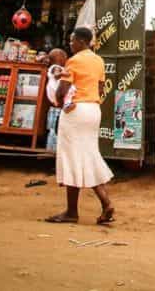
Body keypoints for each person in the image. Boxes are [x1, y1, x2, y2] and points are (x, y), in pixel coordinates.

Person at [45, 28, 115, 225]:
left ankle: (71, 212)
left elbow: (62, 91)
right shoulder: (98, 60)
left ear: (81, 41)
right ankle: (105, 202)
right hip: (93, 110)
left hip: (75, 112)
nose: (70, 43)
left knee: (72, 158)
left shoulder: (74, 61)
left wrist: (58, 96)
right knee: (88, 155)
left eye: (72, 40)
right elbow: (101, 88)